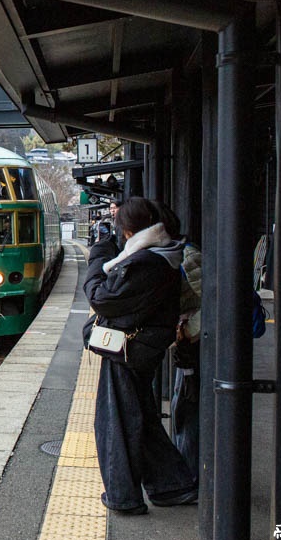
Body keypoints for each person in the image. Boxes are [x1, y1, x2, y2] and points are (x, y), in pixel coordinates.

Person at [83, 197, 197, 515]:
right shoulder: (161, 255)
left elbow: (102, 297)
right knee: (142, 417)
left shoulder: (147, 262)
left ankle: (123, 496)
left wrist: (97, 257)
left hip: (129, 351)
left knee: (117, 420)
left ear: (129, 231)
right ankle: (172, 484)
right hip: (139, 348)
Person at [151, 200, 202, 476]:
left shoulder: (187, 257)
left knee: (187, 411)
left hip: (195, 349)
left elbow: (214, 306)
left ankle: (191, 474)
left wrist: (188, 331)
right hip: (188, 348)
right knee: (183, 408)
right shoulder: (176, 255)